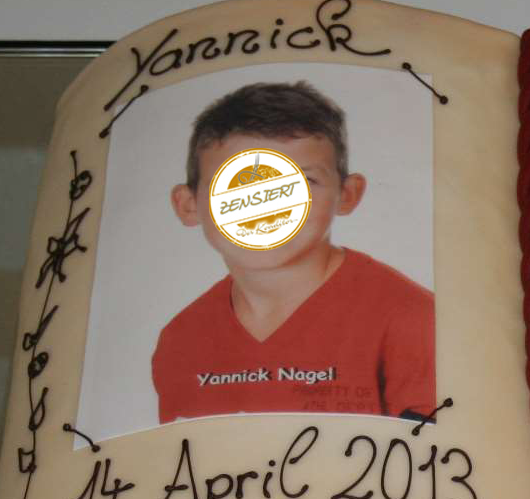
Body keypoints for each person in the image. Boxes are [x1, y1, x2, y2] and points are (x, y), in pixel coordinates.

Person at [151, 81, 435, 422]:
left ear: (347, 194)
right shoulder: (181, 340)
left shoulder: (412, 320)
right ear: (188, 205)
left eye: (304, 182)